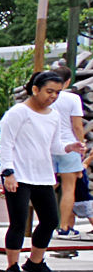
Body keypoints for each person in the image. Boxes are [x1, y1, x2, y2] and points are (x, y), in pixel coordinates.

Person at [0, 70, 80, 272]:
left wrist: (69, 147)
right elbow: (6, 144)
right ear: (35, 90)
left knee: (51, 219)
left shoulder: (53, 115)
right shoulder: (18, 113)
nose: (52, 96)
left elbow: (53, 145)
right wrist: (8, 172)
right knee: (18, 221)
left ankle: (35, 261)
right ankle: (12, 266)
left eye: (57, 93)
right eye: (49, 91)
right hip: (18, 174)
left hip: (42, 175)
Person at [49, 64, 87, 239]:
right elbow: (77, 126)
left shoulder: (45, 97)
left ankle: (46, 223)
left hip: (48, 146)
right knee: (68, 188)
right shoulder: (72, 99)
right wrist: (81, 145)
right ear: (68, 81)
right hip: (69, 144)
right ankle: (63, 227)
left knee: (48, 186)